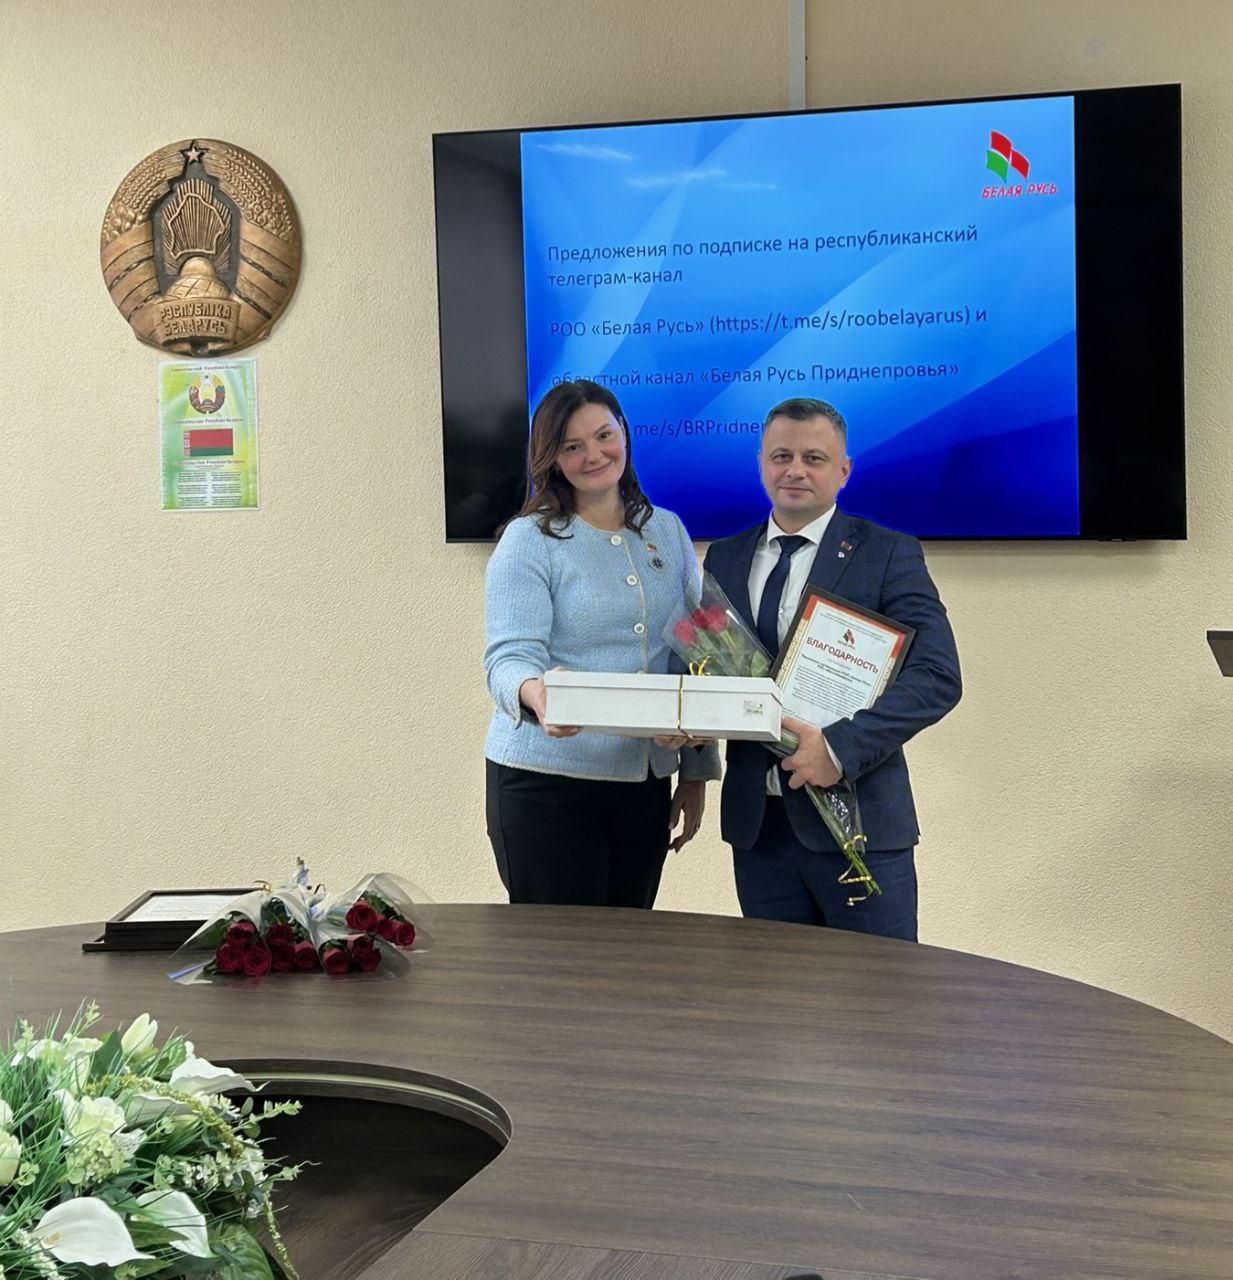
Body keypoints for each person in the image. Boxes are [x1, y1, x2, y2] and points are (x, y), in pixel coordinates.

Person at [703, 397, 961, 940]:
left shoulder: (887, 553)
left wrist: (839, 750)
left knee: (878, 988)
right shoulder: (724, 558)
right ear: (761, 464)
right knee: (774, 989)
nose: (795, 470)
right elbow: (705, 666)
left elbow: (938, 676)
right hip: (759, 831)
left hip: (861, 824)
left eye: (814, 458)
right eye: (781, 456)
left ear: (844, 471)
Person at [484, 379, 720, 908]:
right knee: (561, 950)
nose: (594, 454)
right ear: (551, 457)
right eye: (572, 446)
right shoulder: (529, 540)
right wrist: (536, 694)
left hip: (643, 785)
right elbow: (508, 658)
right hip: (544, 785)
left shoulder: (668, 531)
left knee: (629, 946)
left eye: (604, 435)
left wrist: (697, 773)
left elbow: (696, 655)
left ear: (625, 435)